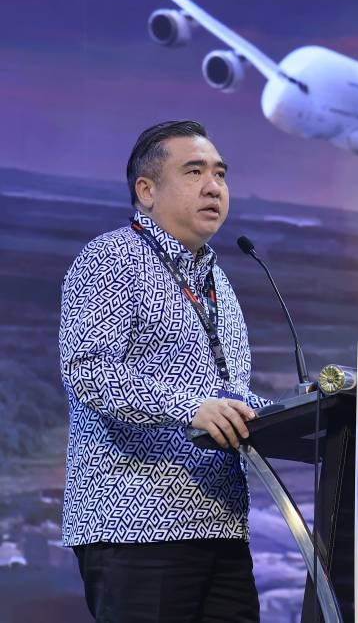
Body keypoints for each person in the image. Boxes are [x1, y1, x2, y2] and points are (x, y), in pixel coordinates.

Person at [59, 120, 269, 622]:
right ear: (147, 191)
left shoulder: (219, 280)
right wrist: (189, 409)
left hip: (220, 525)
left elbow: (224, 391)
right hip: (136, 526)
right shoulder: (111, 259)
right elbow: (88, 370)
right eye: (193, 171)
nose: (213, 186)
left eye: (220, 173)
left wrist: (283, 414)